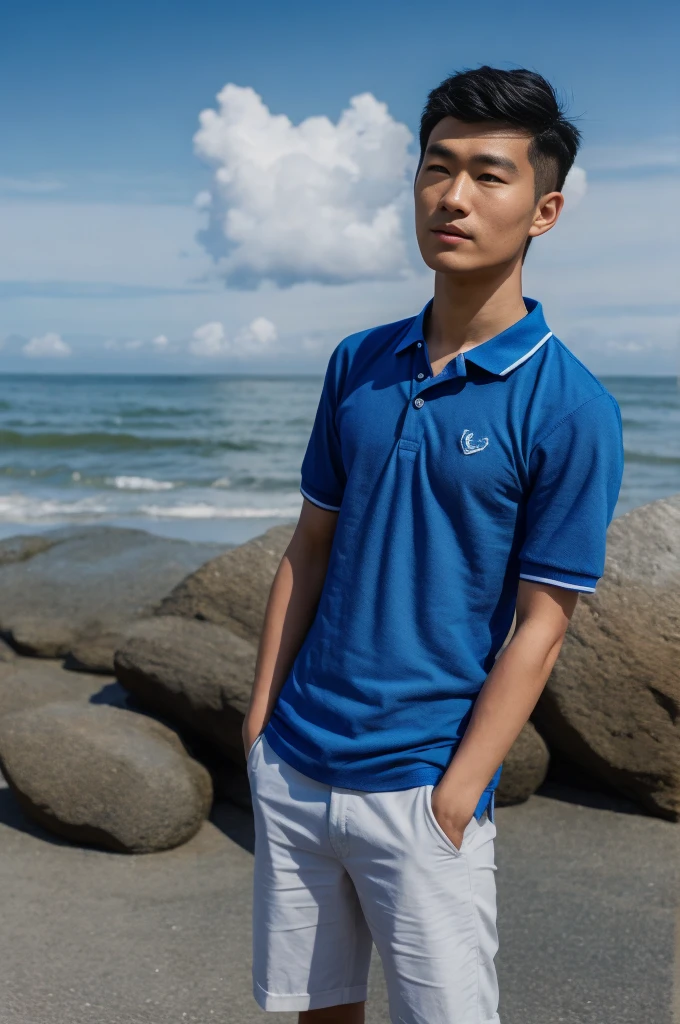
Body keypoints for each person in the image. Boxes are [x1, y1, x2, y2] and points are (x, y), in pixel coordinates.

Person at [242, 65, 625, 1024]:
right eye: (436, 168)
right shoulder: (358, 362)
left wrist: (455, 797)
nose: (453, 197)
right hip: (297, 757)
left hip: (421, 784)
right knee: (317, 1010)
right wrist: (258, 732)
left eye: (488, 176)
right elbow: (309, 549)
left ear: (544, 211)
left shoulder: (572, 408)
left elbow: (542, 624)